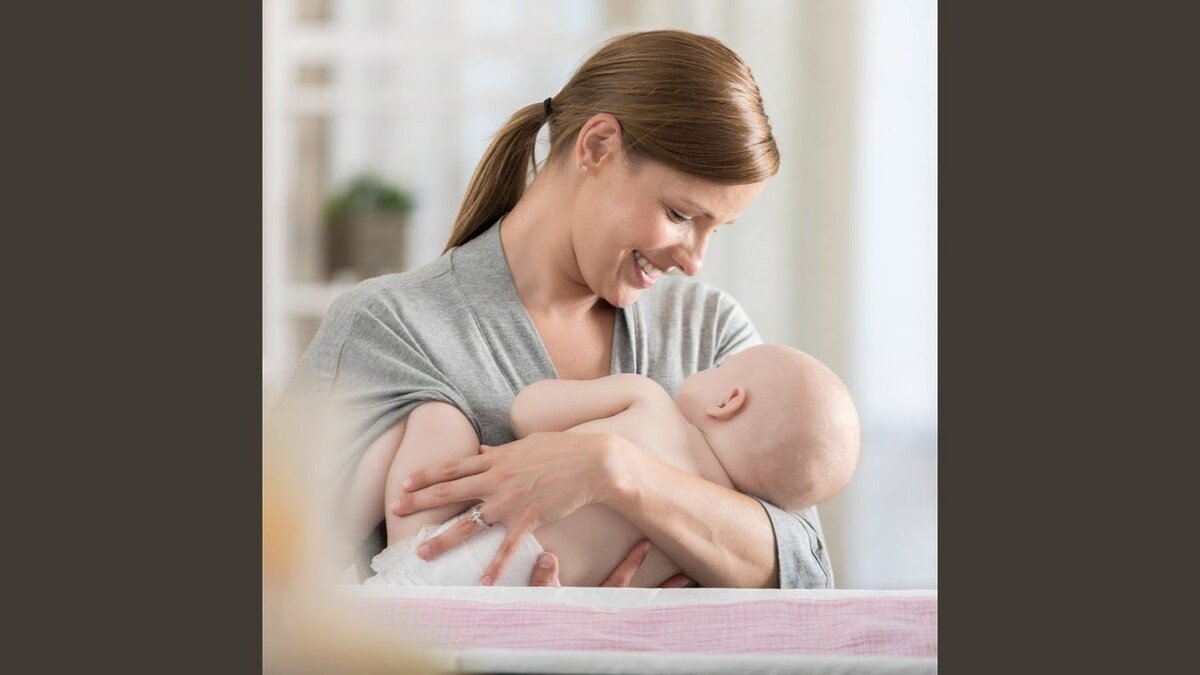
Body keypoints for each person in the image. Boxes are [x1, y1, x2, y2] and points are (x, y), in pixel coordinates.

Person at [282, 28, 834, 589]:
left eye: (716, 229)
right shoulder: (392, 328)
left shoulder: (707, 332)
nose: (694, 261)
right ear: (596, 146)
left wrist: (615, 471)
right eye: (679, 213)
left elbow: (806, 575)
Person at [368, 344, 860, 587]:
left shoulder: (648, 401)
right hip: (522, 604)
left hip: (431, 557)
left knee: (437, 414)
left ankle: (376, 573)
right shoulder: (694, 548)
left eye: (718, 368)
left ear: (728, 400)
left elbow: (528, 410)